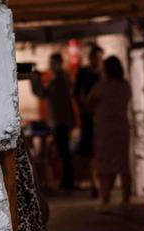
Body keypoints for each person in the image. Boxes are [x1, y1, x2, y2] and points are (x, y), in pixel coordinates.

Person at [87, 56, 132, 211]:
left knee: (105, 165)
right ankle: (127, 200)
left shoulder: (101, 86)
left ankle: (105, 201)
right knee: (123, 164)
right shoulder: (125, 85)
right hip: (121, 128)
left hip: (104, 129)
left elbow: (88, 102)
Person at [31, 53, 77, 190]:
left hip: (60, 121)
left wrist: (35, 79)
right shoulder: (60, 79)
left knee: (64, 153)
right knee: (64, 152)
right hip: (61, 121)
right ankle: (68, 181)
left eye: (52, 63)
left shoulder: (59, 80)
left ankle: (68, 181)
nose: (50, 66)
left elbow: (43, 94)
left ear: (58, 63)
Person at [74, 44, 104, 196]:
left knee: (102, 150)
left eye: (100, 58)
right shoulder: (84, 73)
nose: (98, 61)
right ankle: (94, 183)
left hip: (103, 117)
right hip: (88, 117)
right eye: (96, 58)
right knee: (90, 151)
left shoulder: (104, 74)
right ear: (91, 58)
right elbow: (76, 92)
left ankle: (100, 182)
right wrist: (82, 107)